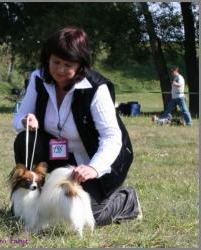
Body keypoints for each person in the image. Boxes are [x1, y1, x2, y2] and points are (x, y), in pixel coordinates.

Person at [13, 26, 142, 226]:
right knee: (24, 140)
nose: (60, 70)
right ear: (48, 58)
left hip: (94, 159)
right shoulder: (38, 78)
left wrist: (93, 168)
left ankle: (127, 200)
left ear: (81, 65)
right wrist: (25, 121)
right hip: (59, 154)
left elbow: (112, 138)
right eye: (55, 62)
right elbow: (20, 116)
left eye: (68, 64)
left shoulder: (96, 89)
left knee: (88, 215)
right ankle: (33, 203)